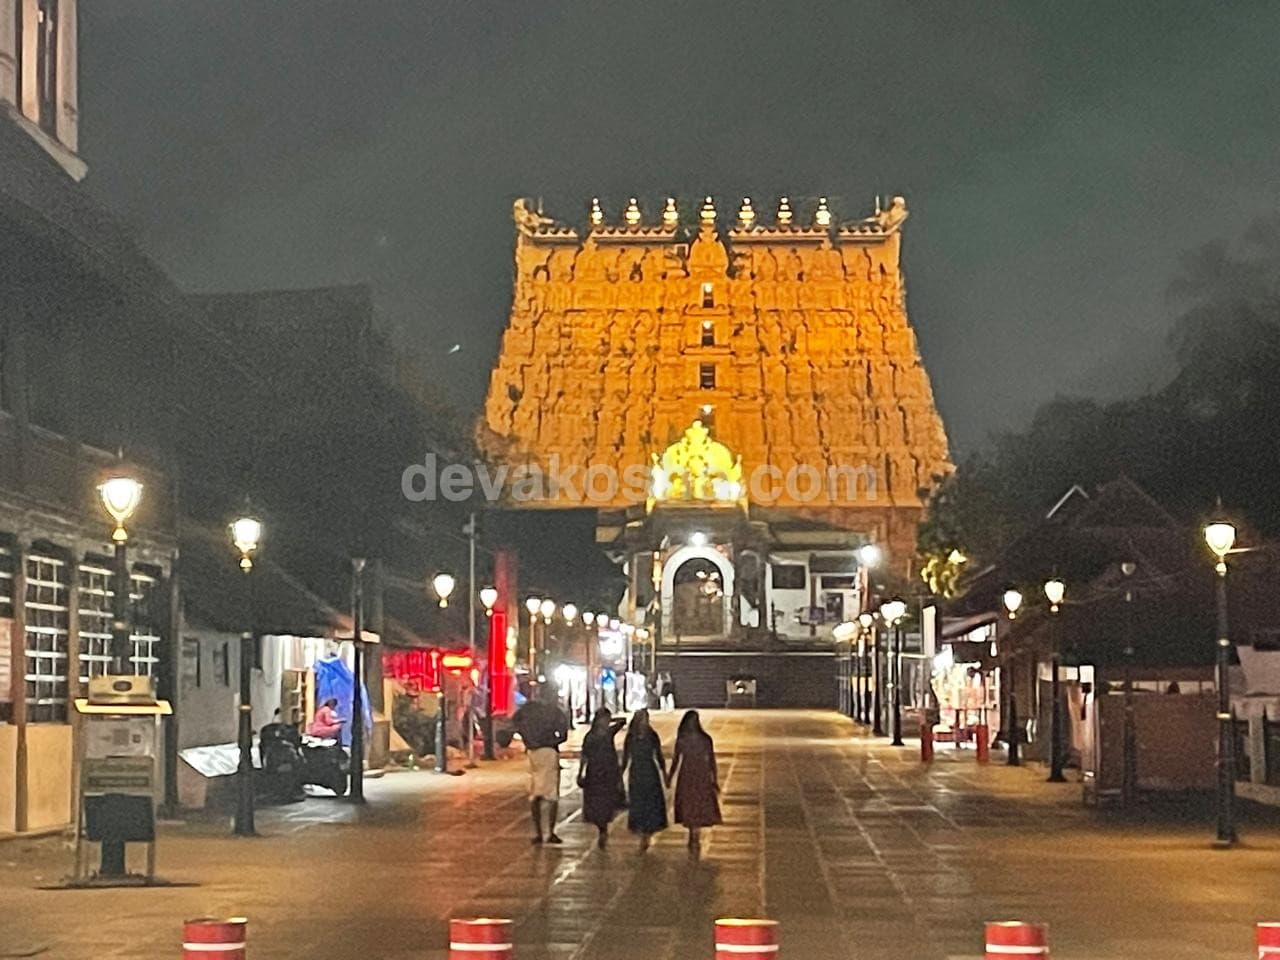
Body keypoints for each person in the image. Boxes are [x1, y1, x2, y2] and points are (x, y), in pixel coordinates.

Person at [512, 683, 570, 845]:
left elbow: (515, 722)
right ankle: (550, 832)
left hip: (533, 751)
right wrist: (551, 741)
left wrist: (527, 738)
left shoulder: (528, 709)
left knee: (535, 794)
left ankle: (538, 832)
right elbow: (563, 734)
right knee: (551, 795)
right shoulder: (555, 711)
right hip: (549, 751)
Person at [669, 710, 721, 856]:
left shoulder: (705, 739)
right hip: (688, 775)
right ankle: (693, 833)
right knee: (690, 803)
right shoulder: (683, 740)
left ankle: (695, 834)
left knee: (698, 803)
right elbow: (676, 759)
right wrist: (670, 775)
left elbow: (711, 759)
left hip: (700, 775)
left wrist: (714, 778)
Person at [577, 708, 627, 848]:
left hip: (609, 771)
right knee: (596, 803)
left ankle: (603, 828)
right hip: (595, 772)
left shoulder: (608, 732)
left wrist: (612, 720)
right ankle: (602, 828)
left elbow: (622, 721)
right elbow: (584, 756)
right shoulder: (591, 737)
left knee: (607, 802)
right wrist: (580, 772)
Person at [621, 708, 668, 852]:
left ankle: (647, 833)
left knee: (650, 802)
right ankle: (642, 830)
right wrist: (620, 774)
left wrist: (664, 772)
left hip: (649, 771)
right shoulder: (631, 737)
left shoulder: (652, 735)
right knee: (638, 802)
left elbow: (658, 754)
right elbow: (626, 757)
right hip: (636, 772)